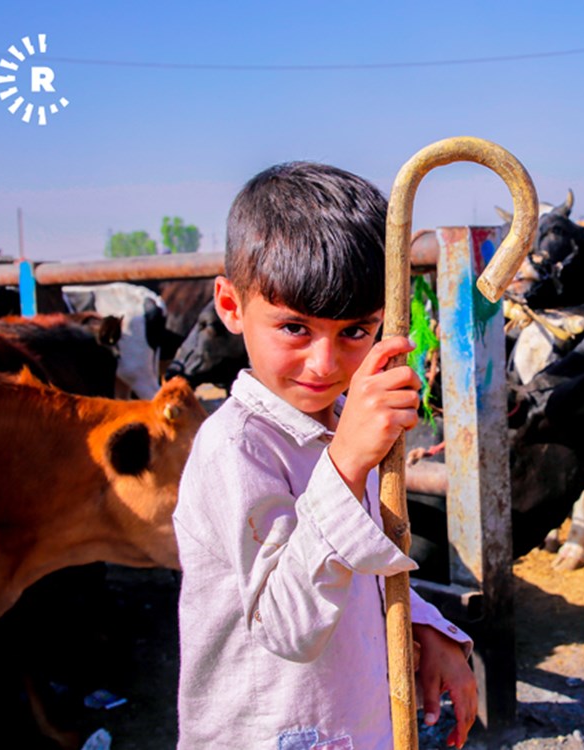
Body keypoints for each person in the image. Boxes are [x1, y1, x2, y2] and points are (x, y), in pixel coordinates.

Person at [173, 161, 478, 749]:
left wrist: (427, 627)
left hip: (353, 726)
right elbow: (287, 626)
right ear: (231, 307)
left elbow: (355, 572)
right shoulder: (236, 447)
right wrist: (345, 463)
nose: (325, 363)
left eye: (355, 332)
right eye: (294, 328)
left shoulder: (338, 428)